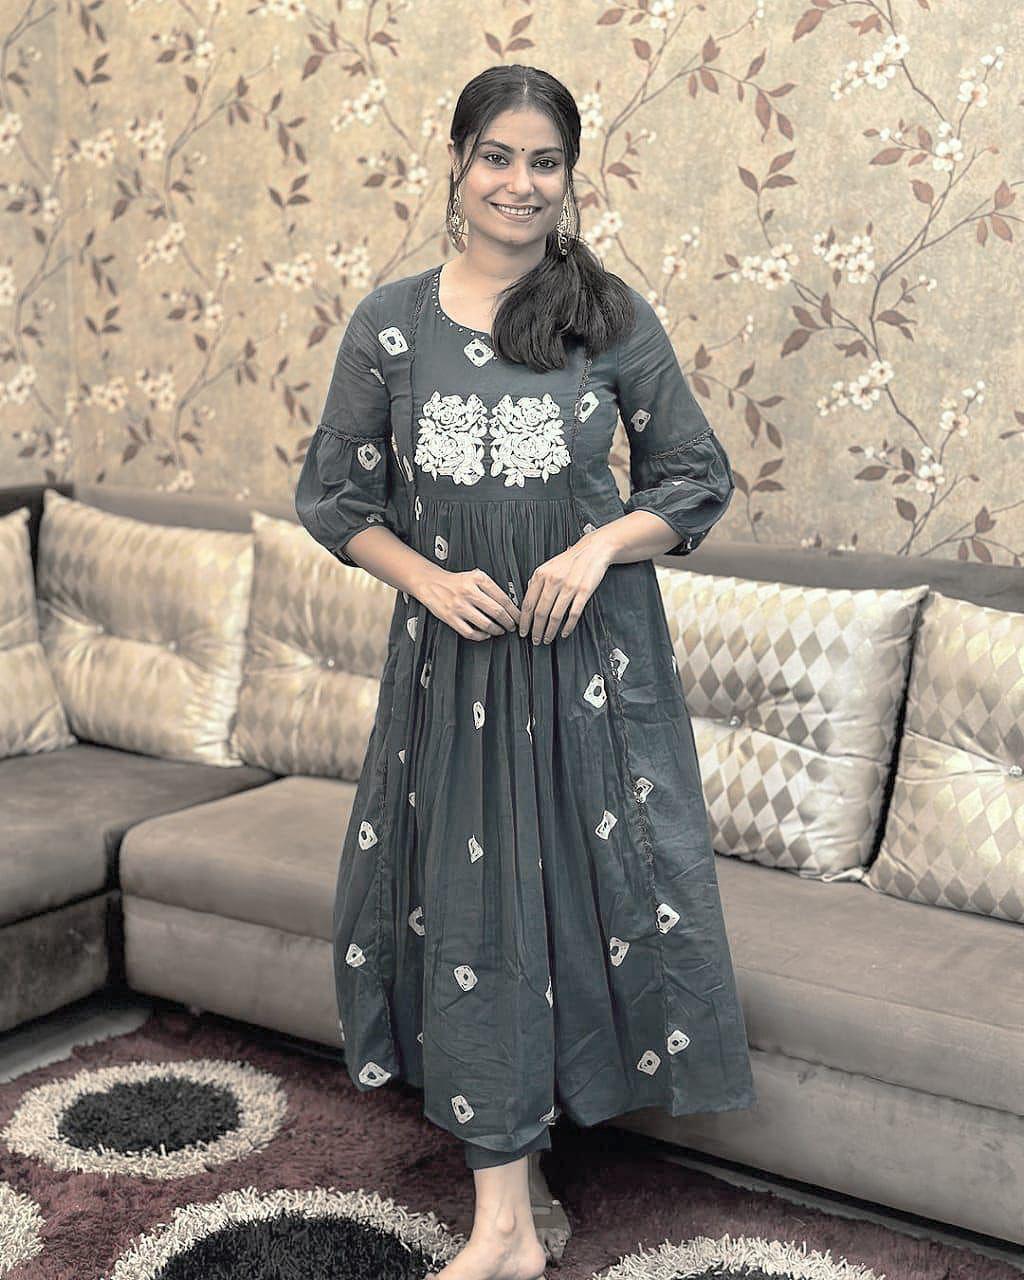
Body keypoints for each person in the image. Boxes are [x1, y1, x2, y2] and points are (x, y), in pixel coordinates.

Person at [294, 63, 757, 1280]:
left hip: (585, 666)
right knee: (472, 909)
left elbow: (693, 477)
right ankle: (504, 1221)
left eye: (544, 161)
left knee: (565, 906)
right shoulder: (391, 324)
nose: (519, 183)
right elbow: (335, 497)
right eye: (496, 155)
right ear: (457, 162)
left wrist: (597, 545)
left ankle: (519, 1184)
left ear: (569, 175)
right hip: (455, 670)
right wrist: (429, 580)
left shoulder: (606, 315)